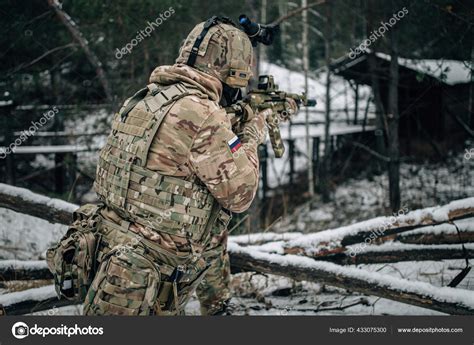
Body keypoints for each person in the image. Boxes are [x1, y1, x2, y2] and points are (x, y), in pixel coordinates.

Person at [83, 17, 297, 316]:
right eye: (239, 81)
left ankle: (218, 306)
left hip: (110, 256)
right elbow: (240, 195)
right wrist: (252, 133)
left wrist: (237, 119)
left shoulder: (148, 98)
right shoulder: (201, 113)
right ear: (231, 73)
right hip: (148, 279)